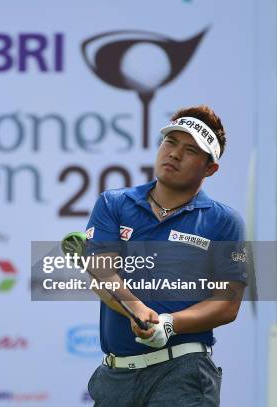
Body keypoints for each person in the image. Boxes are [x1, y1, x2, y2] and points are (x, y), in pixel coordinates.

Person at [85, 105, 247, 406]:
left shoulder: (225, 221)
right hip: (115, 378)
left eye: (190, 150)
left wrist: (169, 323)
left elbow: (228, 304)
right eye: (170, 142)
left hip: (184, 373)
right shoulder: (113, 204)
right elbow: (101, 273)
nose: (174, 154)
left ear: (209, 168)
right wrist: (138, 309)